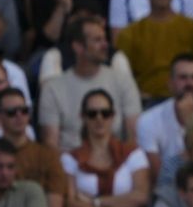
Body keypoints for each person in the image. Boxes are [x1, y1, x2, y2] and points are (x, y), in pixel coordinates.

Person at [38, 16, 141, 151]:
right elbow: (50, 147)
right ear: (78, 47)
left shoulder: (124, 82)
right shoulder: (52, 88)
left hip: (116, 162)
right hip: (70, 165)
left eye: (105, 39)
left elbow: (133, 138)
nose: (105, 45)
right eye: (97, 40)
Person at [61, 89, 150, 207]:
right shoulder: (70, 159)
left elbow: (140, 197)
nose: (99, 118)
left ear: (113, 116)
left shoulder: (134, 154)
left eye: (105, 113)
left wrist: (94, 202)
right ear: (82, 117)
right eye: (92, 114)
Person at [135, 53, 193, 178]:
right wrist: (189, 126)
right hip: (167, 190)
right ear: (170, 83)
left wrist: (189, 123)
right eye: (183, 77)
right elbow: (157, 175)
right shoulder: (148, 120)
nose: (189, 83)